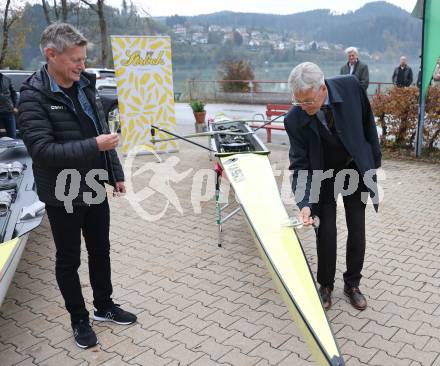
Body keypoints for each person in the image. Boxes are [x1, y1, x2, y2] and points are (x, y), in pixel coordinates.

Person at [18, 23, 136, 349]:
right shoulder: (32, 95)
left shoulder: (85, 85)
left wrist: (115, 172)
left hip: (95, 184)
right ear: (51, 55)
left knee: (101, 250)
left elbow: (102, 133)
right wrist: (94, 146)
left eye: (83, 58)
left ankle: (104, 306)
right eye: (75, 60)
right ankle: (79, 319)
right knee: (69, 259)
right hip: (62, 192)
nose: (82, 66)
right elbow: (42, 151)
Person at [284, 62, 381, 311]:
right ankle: (325, 285)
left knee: (356, 227)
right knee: (325, 229)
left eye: (307, 101)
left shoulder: (350, 87)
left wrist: (373, 162)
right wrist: (305, 203)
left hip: (353, 167)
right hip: (323, 172)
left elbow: (368, 126)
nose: (303, 107)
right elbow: (299, 164)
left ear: (323, 89)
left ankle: (352, 284)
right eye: (298, 101)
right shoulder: (294, 119)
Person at [0, 71, 18, 138]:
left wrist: (15, 107)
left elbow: (13, 94)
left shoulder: (7, 79)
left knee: (12, 136)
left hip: (8, 111)